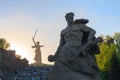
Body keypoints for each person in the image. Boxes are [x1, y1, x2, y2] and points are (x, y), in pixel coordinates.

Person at [47, 12, 103, 80]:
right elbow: (61, 45)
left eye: (72, 17)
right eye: (70, 17)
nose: (71, 19)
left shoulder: (79, 26)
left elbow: (92, 31)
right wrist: (55, 56)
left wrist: (89, 39)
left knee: (86, 68)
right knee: (58, 67)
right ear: (66, 19)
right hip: (65, 50)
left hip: (77, 47)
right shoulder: (63, 31)